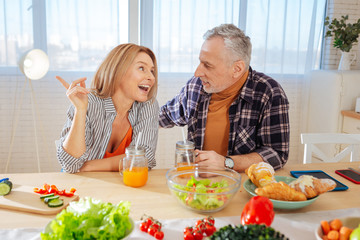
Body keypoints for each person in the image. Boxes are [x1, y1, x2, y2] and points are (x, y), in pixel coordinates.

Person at [159, 24, 290, 172]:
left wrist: (227, 163)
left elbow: (278, 154)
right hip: (197, 184)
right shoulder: (196, 86)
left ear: (237, 69)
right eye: (200, 62)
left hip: (240, 187)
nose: (197, 72)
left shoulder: (269, 92)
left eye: (207, 65)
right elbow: (162, 116)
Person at [56, 43, 159, 173]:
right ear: (118, 70)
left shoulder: (148, 105)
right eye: (141, 68)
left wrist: (87, 166)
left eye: (152, 71)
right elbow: (70, 164)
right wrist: (80, 110)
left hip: (120, 185)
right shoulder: (88, 102)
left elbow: (145, 158)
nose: (151, 77)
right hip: (81, 184)